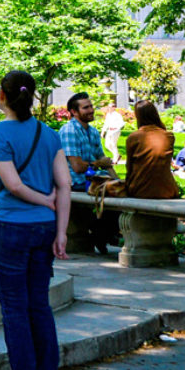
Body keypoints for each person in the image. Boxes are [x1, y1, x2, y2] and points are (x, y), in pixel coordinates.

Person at [0, 70, 71, 370]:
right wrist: (60, 230)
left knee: (15, 309)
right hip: (44, 230)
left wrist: (42, 200)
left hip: (9, 228)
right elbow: (64, 185)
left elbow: (13, 185)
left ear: (2, 96)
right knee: (39, 307)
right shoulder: (49, 134)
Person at [60, 92, 114, 254]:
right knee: (113, 205)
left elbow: (103, 159)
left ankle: (100, 235)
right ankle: (99, 235)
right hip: (74, 183)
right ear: (74, 112)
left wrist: (119, 181)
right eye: (86, 107)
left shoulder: (92, 132)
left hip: (92, 182)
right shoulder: (69, 130)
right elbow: (76, 166)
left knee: (123, 199)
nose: (91, 110)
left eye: (91, 106)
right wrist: (98, 164)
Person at [122, 102, 180, 199]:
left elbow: (129, 167)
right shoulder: (168, 136)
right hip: (167, 190)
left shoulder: (133, 137)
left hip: (139, 190)